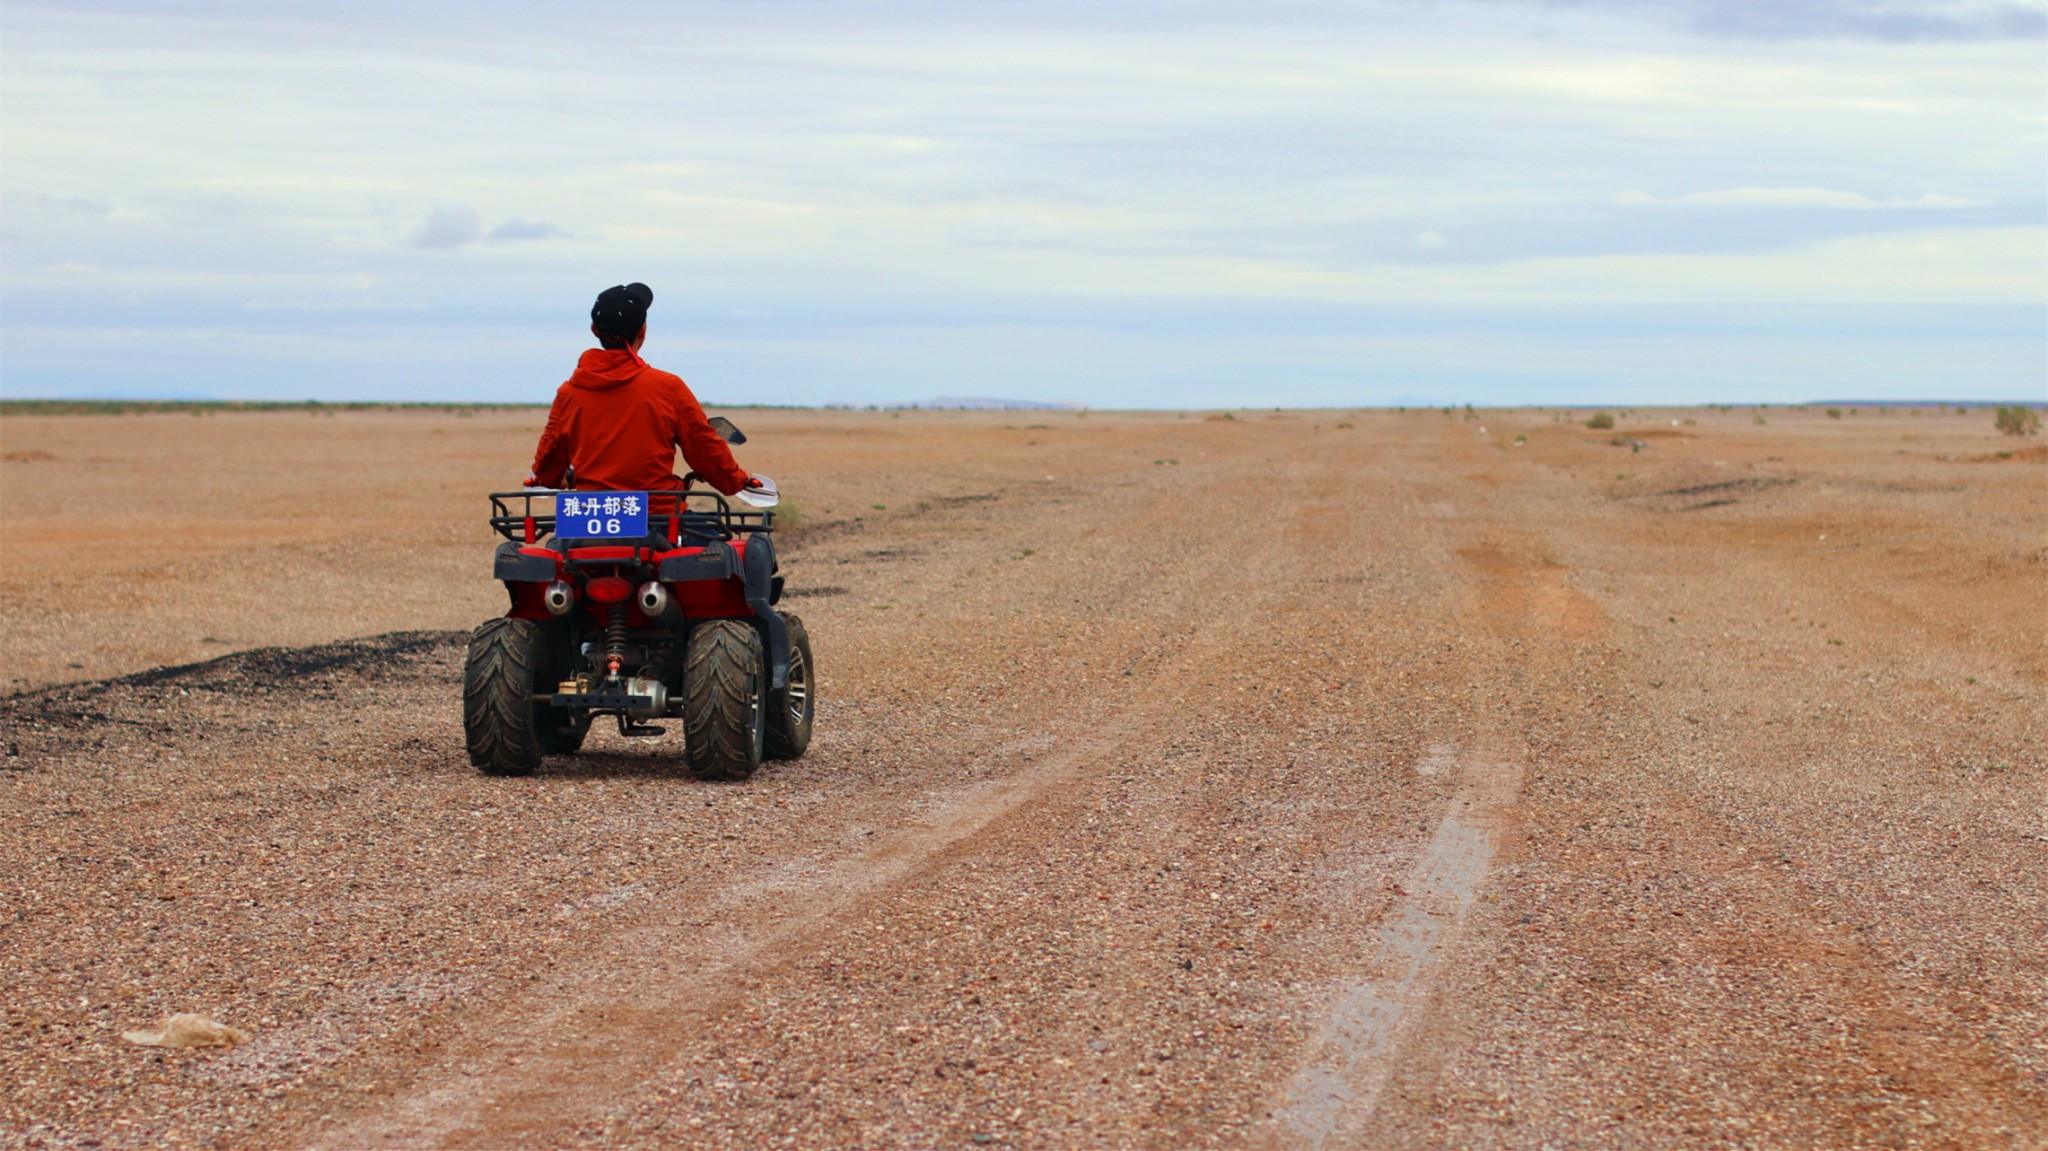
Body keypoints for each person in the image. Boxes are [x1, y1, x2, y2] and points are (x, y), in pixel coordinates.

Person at [526, 283, 757, 508]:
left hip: (587, 520)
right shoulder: (667, 387)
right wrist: (737, 481)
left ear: (595, 330)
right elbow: (705, 448)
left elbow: (547, 463)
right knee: (720, 538)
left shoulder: (569, 393)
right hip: (660, 518)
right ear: (643, 330)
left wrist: (554, 478)